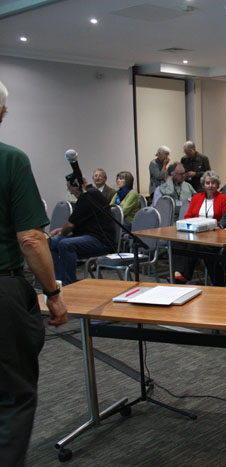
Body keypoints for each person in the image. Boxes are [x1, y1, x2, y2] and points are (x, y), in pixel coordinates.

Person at [0, 80, 68, 465]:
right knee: (12, 397)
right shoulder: (10, 159)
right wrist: (53, 293)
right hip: (3, 290)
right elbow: (30, 239)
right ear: (3, 113)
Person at [50, 178, 117, 285]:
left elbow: (70, 225)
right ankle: (59, 280)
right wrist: (61, 230)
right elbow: (75, 223)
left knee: (65, 244)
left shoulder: (88, 196)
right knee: (51, 242)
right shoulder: (90, 194)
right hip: (89, 236)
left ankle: (68, 283)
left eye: (70, 189)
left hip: (101, 240)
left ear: (76, 186)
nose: (71, 193)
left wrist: (62, 232)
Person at [172, 170, 226, 284]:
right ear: (203, 185)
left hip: (214, 235)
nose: (210, 186)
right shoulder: (196, 198)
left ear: (218, 185)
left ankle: (184, 275)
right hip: (195, 232)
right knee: (177, 242)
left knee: (192, 244)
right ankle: (178, 272)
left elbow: (225, 220)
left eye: (213, 183)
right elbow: (188, 216)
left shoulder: (223, 199)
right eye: (207, 183)